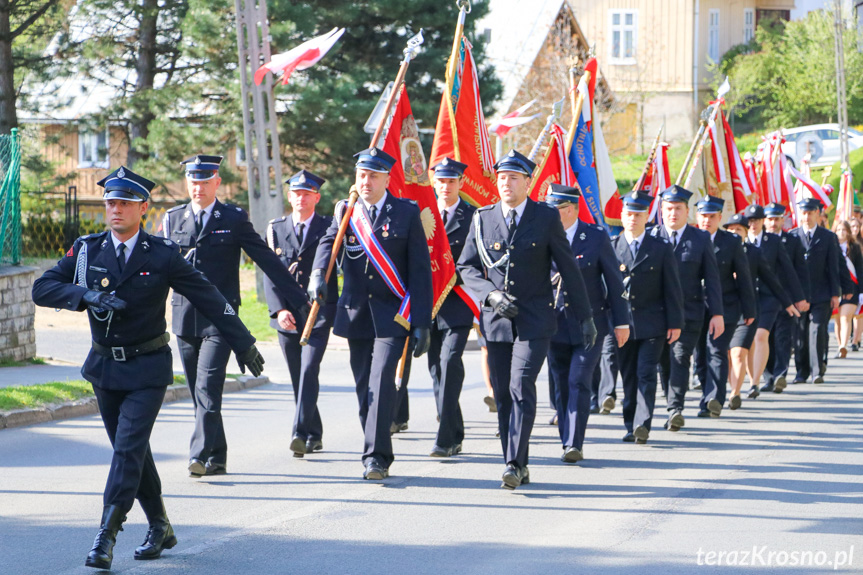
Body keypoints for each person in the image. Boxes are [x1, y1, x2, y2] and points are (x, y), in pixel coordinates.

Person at [32, 167, 265, 570]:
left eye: (124, 202)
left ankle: (106, 533)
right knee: (133, 452)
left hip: (147, 368)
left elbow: (208, 295)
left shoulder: (161, 254)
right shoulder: (87, 250)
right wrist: (85, 294)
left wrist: (242, 341)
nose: (115, 209)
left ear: (143, 207)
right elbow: (42, 288)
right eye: (110, 202)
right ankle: (160, 525)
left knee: (126, 449)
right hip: (105, 368)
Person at [161, 154, 308, 478]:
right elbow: (157, 269)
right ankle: (218, 455)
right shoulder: (173, 220)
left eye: (204, 181)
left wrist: (299, 300)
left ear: (217, 183)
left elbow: (266, 260)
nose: (198, 187)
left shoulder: (233, 218)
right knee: (200, 390)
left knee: (208, 386)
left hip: (220, 319)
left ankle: (198, 454)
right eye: (193, 181)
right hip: (184, 318)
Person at [458, 149, 594, 489]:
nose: (506, 183)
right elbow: (467, 267)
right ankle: (515, 459)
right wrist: (489, 294)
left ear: (527, 182)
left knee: (521, 386)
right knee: (503, 393)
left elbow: (568, 268)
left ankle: (514, 463)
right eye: (502, 177)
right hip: (497, 321)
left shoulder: (545, 217)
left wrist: (586, 315)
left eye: (514, 177)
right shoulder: (483, 218)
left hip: (535, 320)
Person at [308, 147, 432, 481]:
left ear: (386, 179)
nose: (366, 181)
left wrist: (421, 322)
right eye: (362, 175)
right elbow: (327, 245)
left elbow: (421, 271)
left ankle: (375, 457)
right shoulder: (347, 211)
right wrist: (318, 274)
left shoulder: (406, 212)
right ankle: (378, 447)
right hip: (356, 312)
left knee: (381, 381)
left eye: (373, 176)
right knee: (365, 387)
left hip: (394, 314)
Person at [544, 184, 629, 462]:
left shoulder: (594, 237)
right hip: (553, 323)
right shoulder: (543, 236)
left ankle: (573, 442)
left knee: (579, 380)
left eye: (554, 210)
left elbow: (614, 283)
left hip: (589, 323)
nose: (549, 215)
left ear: (569, 210)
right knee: (560, 383)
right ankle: (565, 437)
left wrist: (622, 322)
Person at [264, 169, 338, 457]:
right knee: (298, 376)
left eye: (307, 193)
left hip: (318, 312)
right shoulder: (275, 228)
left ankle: (299, 432)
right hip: (287, 315)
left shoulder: (329, 226)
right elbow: (270, 274)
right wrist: (278, 310)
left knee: (309, 370)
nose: (301, 198)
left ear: (316, 197)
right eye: (296, 193)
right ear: (289, 195)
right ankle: (315, 433)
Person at [611, 190, 683, 444]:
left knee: (645, 373)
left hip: (653, 324)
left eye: (638, 214)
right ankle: (630, 424)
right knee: (628, 374)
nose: (633, 219)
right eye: (629, 214)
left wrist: (675, 323)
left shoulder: (660, 248)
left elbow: (672, 288)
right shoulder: (612, 247)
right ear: (621, 216)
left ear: (646, 217)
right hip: (622, 325)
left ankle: (643, 423)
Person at [651, 185, 723, 430]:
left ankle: (675, 409)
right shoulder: (652, 237)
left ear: (687, 211)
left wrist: (717, 314)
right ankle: (671, 397)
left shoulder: (700, 239)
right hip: (656, 314)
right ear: (662, 210)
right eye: (669, 209)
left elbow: (712, 279)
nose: (673, 213)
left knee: (681, 357)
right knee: (663, 361)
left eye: (678, 209)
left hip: (688, 313)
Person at [426, 158, 477, 457]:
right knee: (435, 369)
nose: (445, 187)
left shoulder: (473, 216)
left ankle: (444, 438)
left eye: (451, 182)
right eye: (441, 181)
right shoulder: (422, 213)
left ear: (460, 183)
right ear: (434, 182)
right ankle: (455, 430)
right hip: (429, 303)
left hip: (458, 301)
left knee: (450, 361)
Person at [693, 196, 756, 418]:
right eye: (703, 216)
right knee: (700, 357)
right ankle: (706, 396)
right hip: (695, 307)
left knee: (716, 351)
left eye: (712, 216)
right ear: (697, 216)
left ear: (720, 217)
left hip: (726, 306)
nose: (707, 220)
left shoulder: (730, 242)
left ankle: (714, 399)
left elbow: (744, 278)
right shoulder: (689, 239)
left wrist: (749, 311)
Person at [723, 213, 794, 409]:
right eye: (731, 230)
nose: (735, 233)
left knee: (739, 352)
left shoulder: (753, 252)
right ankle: (733, 387)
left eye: (739, 230)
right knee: (728, 355)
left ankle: (736, 392)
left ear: (746, 233)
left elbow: (771, 278)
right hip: (725, 309)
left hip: (749, 309)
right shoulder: (718, 250)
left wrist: (788, 303)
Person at [742, 204, 806, 398]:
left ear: (763, 222)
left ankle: (755, 383)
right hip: (747, 298)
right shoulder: (740, 242)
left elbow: (789, 270)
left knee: (761, 335)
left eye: (757, 221)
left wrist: (798, 298)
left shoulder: (774, 242)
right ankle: (761, 377)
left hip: (770, 297)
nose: (753, 225)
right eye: (750, 221)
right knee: (751, 340)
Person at [793, 198, 847, 384]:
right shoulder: (792, 236)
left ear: (818, 214)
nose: (807, 217)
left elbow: (834, 267)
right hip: (799, 295)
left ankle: (817, 371)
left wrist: (836, 293)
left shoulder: (827, 237)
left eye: (810, 213)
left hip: (821, 293)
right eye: (804, 213)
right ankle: (801, 372)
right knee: (800, 333)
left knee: (816, 329)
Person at [763, 203, 809, 393]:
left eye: (777, 219)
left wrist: (802, 297)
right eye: (770, 219)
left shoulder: (792, 241)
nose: (773, 223)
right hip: (764, 299)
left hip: (786, 300)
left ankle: (780, 374)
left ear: (783, 220)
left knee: (783, 338)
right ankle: (768, 377)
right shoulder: (758, 241)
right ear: (764, 220)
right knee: (765, 338)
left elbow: (799, 271)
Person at [832, 219, 863, 357]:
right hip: (835, 289)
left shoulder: (855, 247)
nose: (841, 232)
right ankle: (840, 345)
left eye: (844, 230)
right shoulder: (831, 246)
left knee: (846, 317)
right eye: (838, 230)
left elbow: (860, 270)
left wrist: (861, 291)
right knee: (838, 319)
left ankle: (843, 345)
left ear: (848, 232)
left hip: (852, 288)